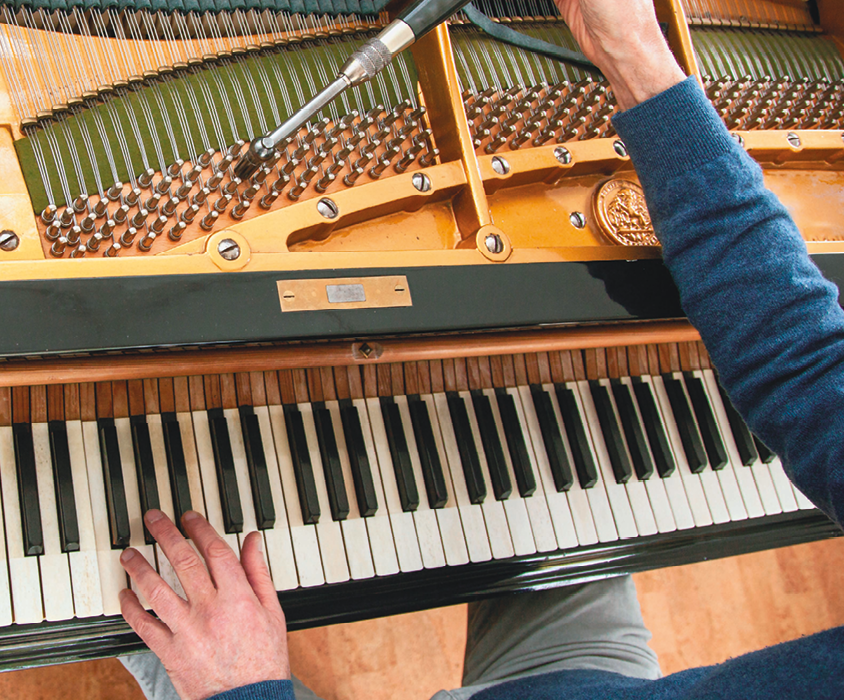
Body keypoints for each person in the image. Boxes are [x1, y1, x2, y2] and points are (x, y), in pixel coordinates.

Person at [117, 0, 844, 698]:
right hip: (583, 686)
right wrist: (636, 57)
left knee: (143, 595)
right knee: (577, 511)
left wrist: (240, 690)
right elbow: (802, 366)